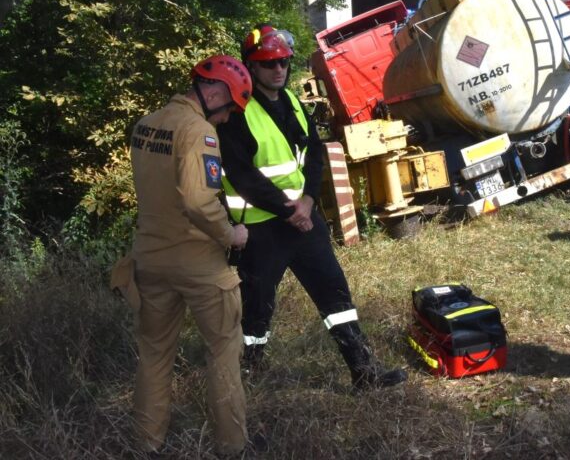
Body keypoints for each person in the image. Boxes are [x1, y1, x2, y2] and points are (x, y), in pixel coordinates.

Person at [217, 24, 407, 390]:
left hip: (304, 222)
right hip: (261, 230)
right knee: (256, 311)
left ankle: (364, 373)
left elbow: (314, 154)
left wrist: (306, 201)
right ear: (251, 67)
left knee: (336, 293)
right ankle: (243, 381)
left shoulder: (292, 102)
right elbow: (242, 176)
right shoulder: (237, 113)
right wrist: (290, 211)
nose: (279, 70)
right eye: (269, 63)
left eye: (284, 62)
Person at [112, 56, 253, 454]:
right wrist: (231, 234)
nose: (226, 119)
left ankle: (146, 444)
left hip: (149, 261)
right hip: (198, 262)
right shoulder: (199, 131)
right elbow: (196, 200)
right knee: (224, 351)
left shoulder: (145, 125)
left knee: (154, 355)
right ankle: (232, 447)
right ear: (214, 93)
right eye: (229, 109)